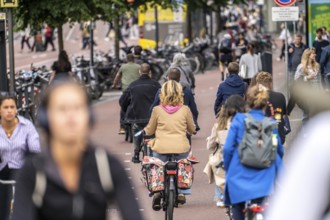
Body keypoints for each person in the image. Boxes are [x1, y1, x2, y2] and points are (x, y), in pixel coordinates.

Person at [11, 81, 142, 220]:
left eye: (78, 108)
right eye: (62, 109)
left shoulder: (106, 165)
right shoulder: (33, 171)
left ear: (89, 117)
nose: (70, 116)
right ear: (46, 118)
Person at [223, 85, 284, 220]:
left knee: (237, 206)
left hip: (239, 176)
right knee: (269, 206)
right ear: (264, 104)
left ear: (248, 102)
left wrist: (228, 169)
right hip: (265, 178)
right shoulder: (270, 123)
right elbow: (278, 149)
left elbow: (227, 149)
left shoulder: (239, 120)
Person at [144, 80, 196, 209]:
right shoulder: (185, 110)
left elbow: (150, 130)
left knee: (155, 164)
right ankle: (182, 193)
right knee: (184, 163)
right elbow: (192, 129)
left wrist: (146, 131)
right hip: (180, 147)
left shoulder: (157, 110)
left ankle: (156, 191)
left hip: (161, 147)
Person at [0, 94, 40, 220]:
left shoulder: (27, 126)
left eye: (12, 107)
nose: (9, 111)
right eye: (5, 107)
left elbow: (36, 148)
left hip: (22, 171)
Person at [204, 95, 245, 208]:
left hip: (226, 158)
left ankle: (220, 196)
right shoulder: (247, 122)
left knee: (215, 162)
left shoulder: (218, 125)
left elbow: (210, 146)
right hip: (244, 156)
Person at [119, 63, 161, 163]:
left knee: (136, 131)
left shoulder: (132, 85)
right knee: (154, 133)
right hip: (152, 118)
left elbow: (122, 101)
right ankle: (156, 152)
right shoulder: (156, 85)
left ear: (139, 72)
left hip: (137, 117)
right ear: (150, 72)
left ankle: (136, 154)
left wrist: (126, 110)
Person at [287, 48, 321, 124]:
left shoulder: (317, 66)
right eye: (313, 53)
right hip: (307, 94)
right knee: (307, 114)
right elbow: (296, 80)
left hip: (316, 93)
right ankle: (305, 132)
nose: (315, 54)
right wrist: (306, 78)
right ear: (308, 55)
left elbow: (319, 80)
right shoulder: (301, 67)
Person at [255, 72, 288, 144]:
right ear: (270, 84)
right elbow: (284, 116)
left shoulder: (257, 99)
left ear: (258, 84)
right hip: (279, 137)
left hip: (264, 139)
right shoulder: (280, 96)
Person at [113, 54, 141, 134]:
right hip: (136, 89)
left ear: (127, 59)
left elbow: (117, 76)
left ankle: (122, 127)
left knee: (123, 106)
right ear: (134, 59)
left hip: (126, 90)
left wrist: (114, 85)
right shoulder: (138, 66)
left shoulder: (123, 67)